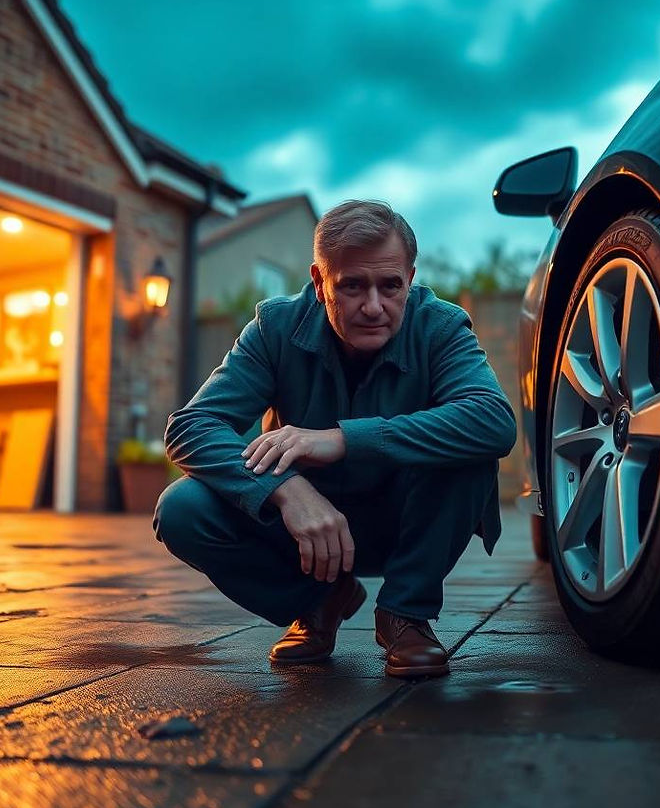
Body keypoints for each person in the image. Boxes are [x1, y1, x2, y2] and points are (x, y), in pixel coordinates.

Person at [154, 200, 516, 678]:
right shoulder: (274, 328)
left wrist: (343, 440)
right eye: (351, 286)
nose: (373, 306)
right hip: (301, 533)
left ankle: (405, 614)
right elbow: (191, 427)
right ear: (320, 280)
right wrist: (286, 491)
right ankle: (322, 600)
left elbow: (493, 420)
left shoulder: (441, 326)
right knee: (182, 510)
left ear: (410, 276)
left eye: (391, 287)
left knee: (471, 450)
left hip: (406, 522)